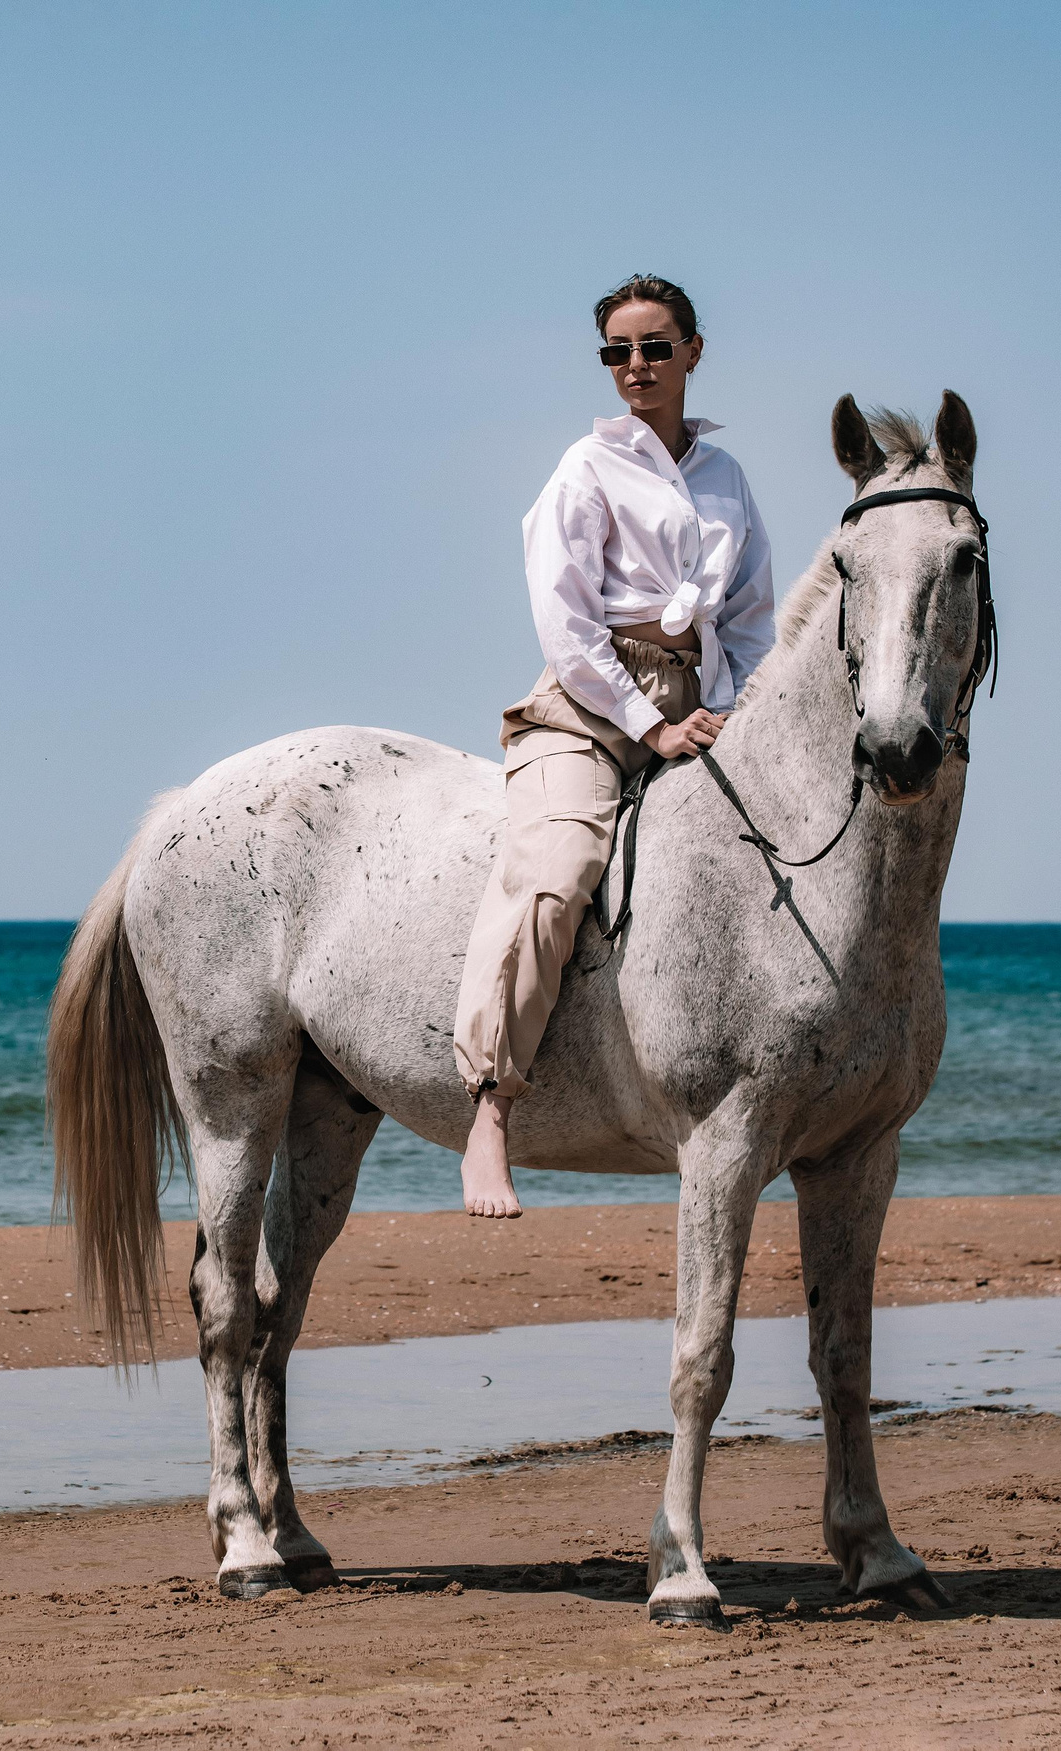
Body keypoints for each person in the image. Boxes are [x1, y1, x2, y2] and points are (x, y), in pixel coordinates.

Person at [452, 274, 776, 1218]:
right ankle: (490, 1109)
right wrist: (652, 724)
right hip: (594, 705)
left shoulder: (728, 479)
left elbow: (751, 617)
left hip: (706, 701)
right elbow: (568, 624)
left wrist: (734, 714)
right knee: (559, 868)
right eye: (617, 352)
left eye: (654, 347)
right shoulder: (584, 470)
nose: (635, 366)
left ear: (693, 353)